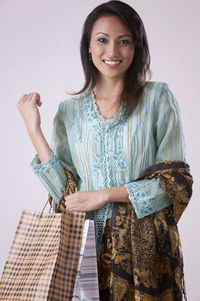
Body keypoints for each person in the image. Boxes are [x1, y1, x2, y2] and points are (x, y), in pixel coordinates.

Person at [17, 0, 193, 300]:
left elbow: (175, 185)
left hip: (145, 252)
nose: (112, 52)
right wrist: (34, 130)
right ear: (88, 46)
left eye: (124, 42)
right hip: (85, 248)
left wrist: (106, 194)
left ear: (135, 48)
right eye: (102, 40)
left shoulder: (157, 98)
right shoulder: (68, 112)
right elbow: (66, 195)